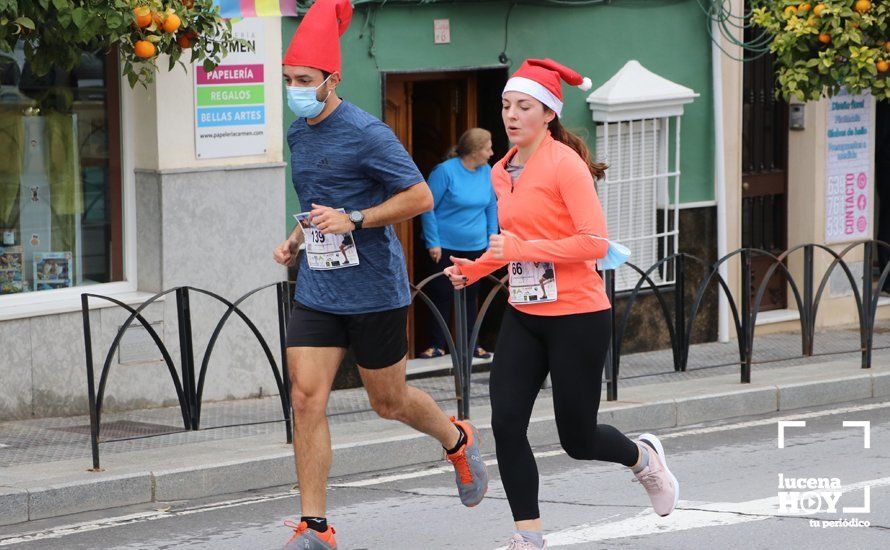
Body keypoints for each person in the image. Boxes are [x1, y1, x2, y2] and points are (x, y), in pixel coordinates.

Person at [273, 2, 488, 548]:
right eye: (288, 79)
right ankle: (315, 525)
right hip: (320, 287)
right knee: (304, 397)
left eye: (303, 80)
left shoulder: (368, 133)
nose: (294, 89)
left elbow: (418, 196)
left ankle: (455, 438)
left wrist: (357, 219)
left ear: (332, 80)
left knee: (387, 402)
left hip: (373, 289)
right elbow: (319, 199)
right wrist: (299, 238)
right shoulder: (299, 134)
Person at [445, 58, 680, 549]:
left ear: (548, 113)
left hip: (578, 315)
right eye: (506, 105)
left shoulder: (565, 165)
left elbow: (595, 242)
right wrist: (474, 269)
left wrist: (519, 251)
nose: (511, 115)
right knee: (507, 423)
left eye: (523, 106)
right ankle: (527, 536)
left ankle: (643, 458)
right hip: (526, 312)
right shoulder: (501, 171)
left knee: (578, 439)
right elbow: (511, 242)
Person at [419, 127, 497, 359]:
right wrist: (433, 242)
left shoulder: (487, 171)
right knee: (442, 294)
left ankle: (471, 345)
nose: (492, 152)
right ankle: (437, 345)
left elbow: (491, 206)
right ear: (474, 152)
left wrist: (493, 238)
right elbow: (427, 206)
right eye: (488, 148)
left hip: (477, 246)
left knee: (471, 297)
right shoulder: (445, 172)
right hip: (445, 246)